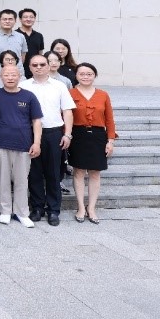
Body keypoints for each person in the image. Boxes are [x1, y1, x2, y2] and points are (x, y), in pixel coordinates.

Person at [20, 53, 74, 227]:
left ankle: (53, 210)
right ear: (29, 67)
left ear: (49, 66)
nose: (39, 68)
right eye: (34, 65)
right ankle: (37, 208)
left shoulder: (59, 86)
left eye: (42, 64)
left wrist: (67, 134)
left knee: (53, 173)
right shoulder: (23, 86)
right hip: (30, 134)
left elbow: (67, 111)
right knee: (34, 173)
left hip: (53, 133)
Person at [0, 65, 43, 227]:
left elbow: (36, 121)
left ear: (19, 76)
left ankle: (22, 212)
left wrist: (36, 142)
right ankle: (5, 211)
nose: (10, 78)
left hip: (24, 144)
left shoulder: (29, 96)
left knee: (22, 180)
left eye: (13, 74)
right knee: (3, 179)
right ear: (1, 76)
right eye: (6, 75)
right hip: (1, 143)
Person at [69, 63, 117, 224]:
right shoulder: (70, 93)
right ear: (76, 76)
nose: (85, 77)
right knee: (78, 171)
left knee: (95, 172)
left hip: (98, 136)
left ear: (94, 76)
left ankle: (91, 208)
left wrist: (110, 140)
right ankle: (80, 207)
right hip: (77, 135)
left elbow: (109, 119)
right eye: (82, 74)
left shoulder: (103, 95)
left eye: (89, 74)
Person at [16, 8, 44, 76]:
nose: (28, 19)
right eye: (25, 17)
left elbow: (40, 53)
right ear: (20, 19)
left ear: (34, 19)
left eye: (31, 17)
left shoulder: (39, 35)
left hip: (35, 70)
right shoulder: (15, 34)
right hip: (19, 70)